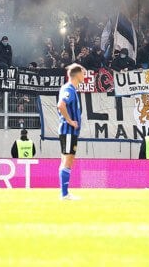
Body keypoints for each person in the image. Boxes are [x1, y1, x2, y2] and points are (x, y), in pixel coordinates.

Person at [57, 63, 84, 200]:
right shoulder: (69, 89)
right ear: (78, 74)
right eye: (83, 73)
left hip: (69, 132)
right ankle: (64, 194)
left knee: (65, 161)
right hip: (68, 131)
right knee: (67, 161)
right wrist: (70, 121)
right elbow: (61, 105)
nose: (84, 76)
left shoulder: (71, 89)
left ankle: (65, 193)